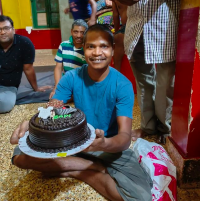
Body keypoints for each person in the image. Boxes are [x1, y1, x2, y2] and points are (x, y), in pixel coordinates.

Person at [10, 24, 152, 201]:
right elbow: (54, 106)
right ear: (83, 48)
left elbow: (123, 138)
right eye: (91, 46)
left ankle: (81, 171)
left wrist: (103, 144)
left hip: (107, 146)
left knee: (141, 197)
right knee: (20, 156)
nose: (97, 52)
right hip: (72, 143)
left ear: (113, 49)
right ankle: (90, 166)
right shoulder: (71, 77)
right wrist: (35, 123)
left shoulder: (122, 85)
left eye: (104, 46)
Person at [101, 0, 184, 143]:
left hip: (163, 21)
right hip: (135, 23)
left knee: (165, 82)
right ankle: (148, 127)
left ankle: (165, 128)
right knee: (143, 81)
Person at [0, 15, 51, 113]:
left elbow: (28, 69)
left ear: (13, 30)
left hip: (9, 87)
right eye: (0, 29)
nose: (2, 32)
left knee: (5, 105)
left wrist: (36, 88)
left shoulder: (24, 43)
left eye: (6, 28)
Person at [49, 19, 88, 99]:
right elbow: (58, 68)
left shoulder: (88, 48)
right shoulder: (63, 45)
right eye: (76, 32)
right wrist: (56, 87)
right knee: (54, 99)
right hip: (66, 81)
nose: (79, 35)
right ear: (71, 31)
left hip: (82, 83)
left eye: (82, 32)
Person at [112, 0, 127, 71]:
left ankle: (117, 71)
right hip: (125, 26)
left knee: (119, 37)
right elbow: (115, 15)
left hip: (138, 24)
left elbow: (115, 15)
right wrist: (116, 31)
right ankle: (117, 72)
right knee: (118, 37)